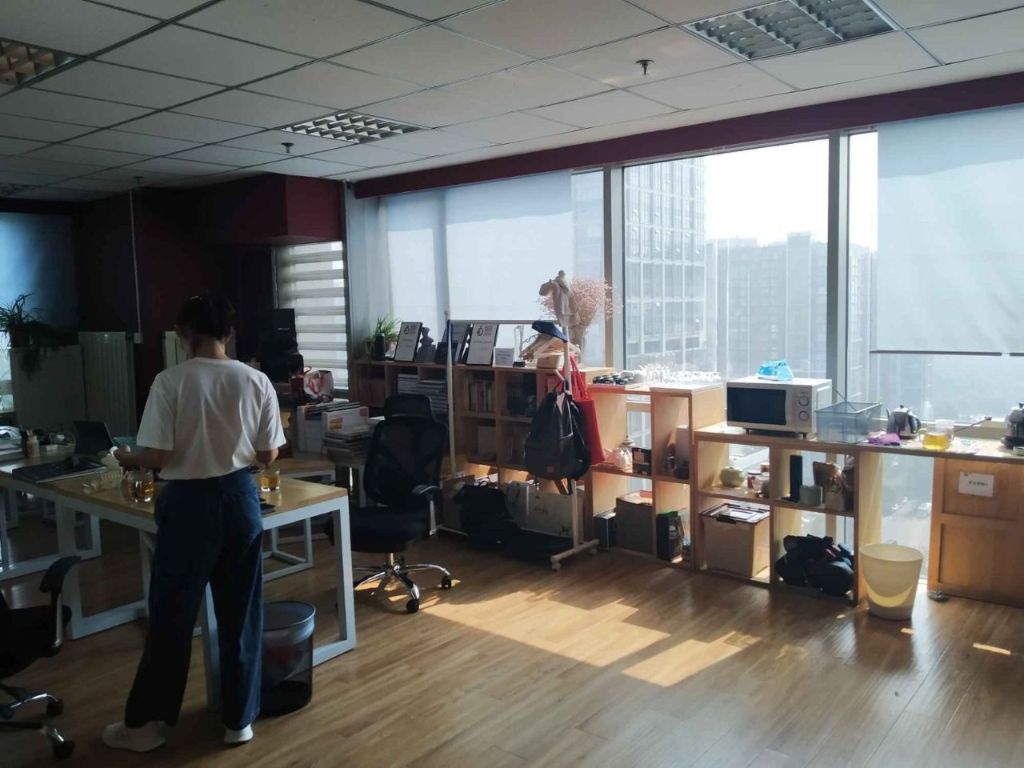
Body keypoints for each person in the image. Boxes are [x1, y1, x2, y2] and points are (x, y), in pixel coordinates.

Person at [102, 294, 286, 752]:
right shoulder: (256, 380)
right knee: (241, 614)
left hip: (188, 504)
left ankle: (145, 726)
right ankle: (239, 720)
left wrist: (126, 457)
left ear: (184, 334)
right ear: (229, 333)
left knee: (172, 618)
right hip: (241, 499)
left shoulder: (170, 382)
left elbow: (159, 456)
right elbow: (268, 454)